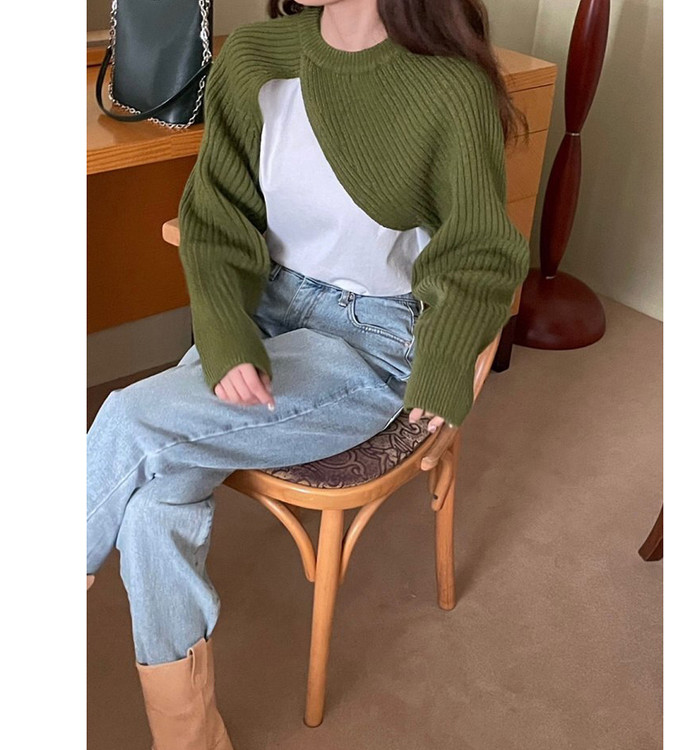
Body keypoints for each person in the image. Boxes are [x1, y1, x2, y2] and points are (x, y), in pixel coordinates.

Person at [87, 1, 531, 747]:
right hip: (265, 311)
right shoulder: (255, 59)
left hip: (373, 339)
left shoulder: (448, 88)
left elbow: (479, 250)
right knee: (152, 503)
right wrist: (225, 333)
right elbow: (216, 215)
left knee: (128, 419)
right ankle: (191, 737)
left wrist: (448, 362)